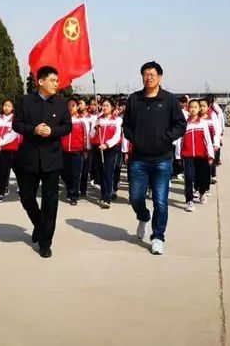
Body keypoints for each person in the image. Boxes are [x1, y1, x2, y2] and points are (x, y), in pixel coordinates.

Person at [122, 61, 186, 255]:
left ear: (160, 77)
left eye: (152, 74)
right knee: (135, 197)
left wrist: (166, 138)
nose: (148, 77)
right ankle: (143, 217)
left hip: (162, 159)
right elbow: (126, 126)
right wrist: (136, 139)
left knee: (160, 201)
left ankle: (158, 237)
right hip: (139, 159)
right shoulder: (134, 99)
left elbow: (180, 124)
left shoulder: (169, 100)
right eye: (145, 74)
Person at [12, 66, 72, 258]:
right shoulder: (25, 101)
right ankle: (39, 224)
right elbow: (16, 125)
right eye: (53, 80)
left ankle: (46, 242)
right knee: (26, 197)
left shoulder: (61, 103)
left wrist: (52, 132)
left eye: (57, 80)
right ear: (40, 81)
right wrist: (34, 130)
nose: (56, 84)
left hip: (52, 160)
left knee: (50, 202)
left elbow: (67, 126)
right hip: (29, 158)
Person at [181, 99, 215, 211]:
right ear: (187, 108)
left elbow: (208, 140)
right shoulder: (184, 124)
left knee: (201, 176)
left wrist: (210, 155)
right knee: (189, 177)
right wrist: (178, 155)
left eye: (196, 107)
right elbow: (180, 141)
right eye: (191, 107)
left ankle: (202, 192)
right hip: (188, 155)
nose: (193, 109)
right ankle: (189, 200)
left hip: (201, 155)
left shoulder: (203, 123)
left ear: (199, 109)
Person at [91, 97, 122, 208]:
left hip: (111, 149)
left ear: (112, 107)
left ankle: (107, 198)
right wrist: (95, 127)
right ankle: (103, 195)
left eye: (107, 105)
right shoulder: (98, 119)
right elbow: (91, 135)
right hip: (98, 148)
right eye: (103, 105)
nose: (104, 107)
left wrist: (107, 144)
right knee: (101, 173)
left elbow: (117, 136)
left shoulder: (117, 120)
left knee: (108, 173)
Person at [60, 96, 89, 205]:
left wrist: (86, 150)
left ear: (77, 107)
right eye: (69, 106)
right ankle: (69, 189)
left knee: (75, 173)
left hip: (78, 151)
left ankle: (74, 195)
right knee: (65, 173)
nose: (71, 108)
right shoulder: (63, 121)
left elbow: (86, 136)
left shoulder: (82, 120)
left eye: (73, 105)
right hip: (64, 150)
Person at [205, 95, 224, 184]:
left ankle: (213, 175)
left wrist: (220, 133)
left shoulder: (215, 110)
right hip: (205, 137)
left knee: (212, 155)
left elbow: (220, 121)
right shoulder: (205, 110)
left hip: (213, 135)